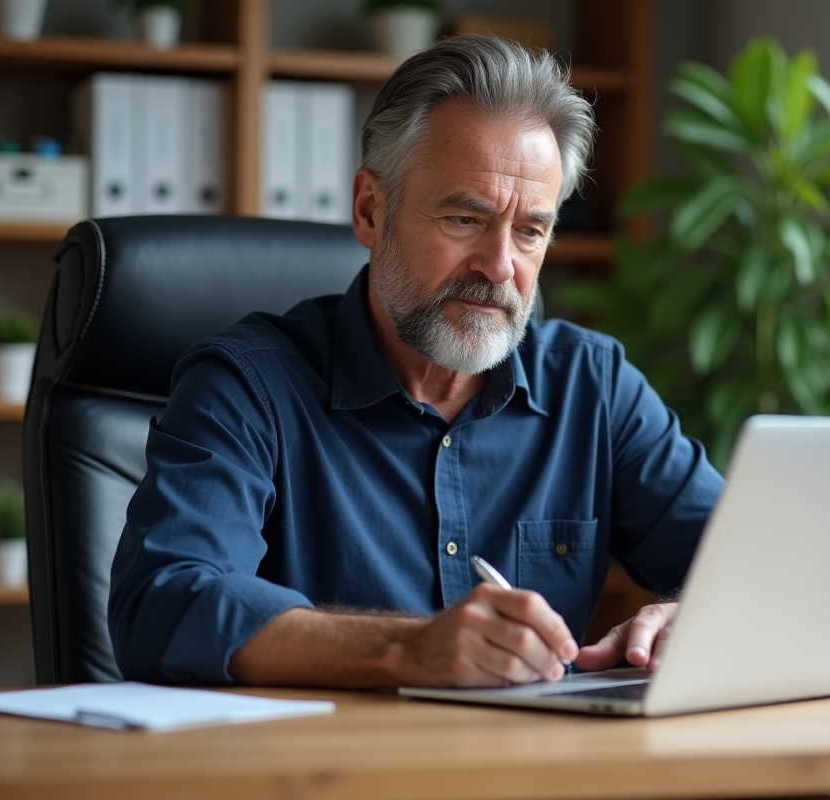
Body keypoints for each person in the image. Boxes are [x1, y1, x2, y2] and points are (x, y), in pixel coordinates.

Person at [108, 35, 724, 689]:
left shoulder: (594, 387)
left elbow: (762, 567)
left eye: (530, 231)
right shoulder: (246, 386)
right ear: (371, 210)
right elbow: (162, 606)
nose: (499, 266)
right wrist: (406, 649)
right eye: (465, 218)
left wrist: (697, 616)